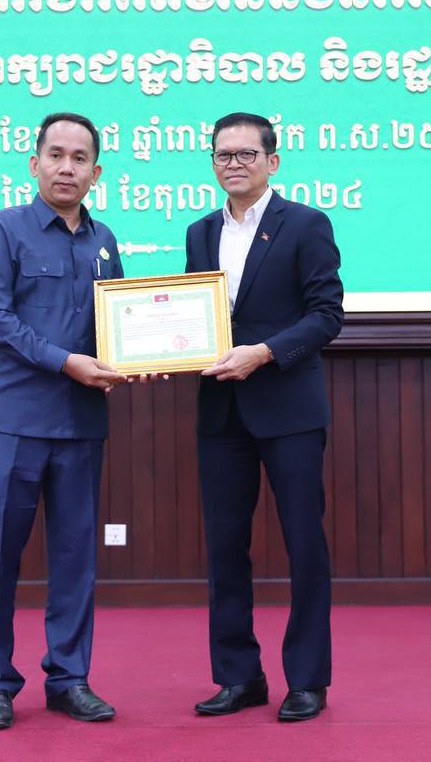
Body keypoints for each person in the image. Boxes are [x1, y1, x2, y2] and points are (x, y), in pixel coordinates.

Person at [184, 112, 344, 722]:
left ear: (272, 162)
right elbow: (196, 318)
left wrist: (266, 352)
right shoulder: (200, 232)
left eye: (246, 154)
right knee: (225, 548)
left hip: (288, 409)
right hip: (221, 411)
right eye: (223, 154)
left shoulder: (306, 224)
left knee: (304, 545)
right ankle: (238, 676)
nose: (234, 164)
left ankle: (307, 680)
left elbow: (327, 314)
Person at [0, 112, 127, 730]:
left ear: (96, 172)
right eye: (56, 155)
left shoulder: (104, 240)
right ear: (34, 163)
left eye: (79, 158)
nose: (67, 168)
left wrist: (140, 358)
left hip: (81, 424)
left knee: (75, 561)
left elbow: (117, 326)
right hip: (14, 422)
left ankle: (69, 679)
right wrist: (66, 362)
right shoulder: (5, 228)